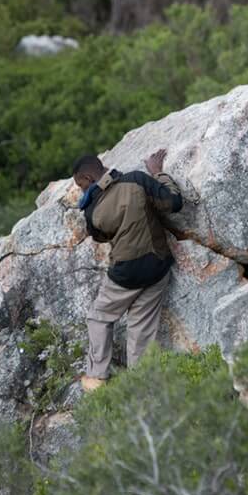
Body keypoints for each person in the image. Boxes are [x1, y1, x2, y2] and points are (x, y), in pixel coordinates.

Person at [72, 148, 183, 392]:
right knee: (140, 331)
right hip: (157, 268)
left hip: (125, 275)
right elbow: (174, 203)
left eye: (81, 186)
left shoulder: (91, 210)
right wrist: (158, 173)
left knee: (99, 317)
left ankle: (97, 376)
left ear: (89, 180)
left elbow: (99, 236)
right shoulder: (137, 179)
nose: (82, 190)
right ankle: (143, 391)